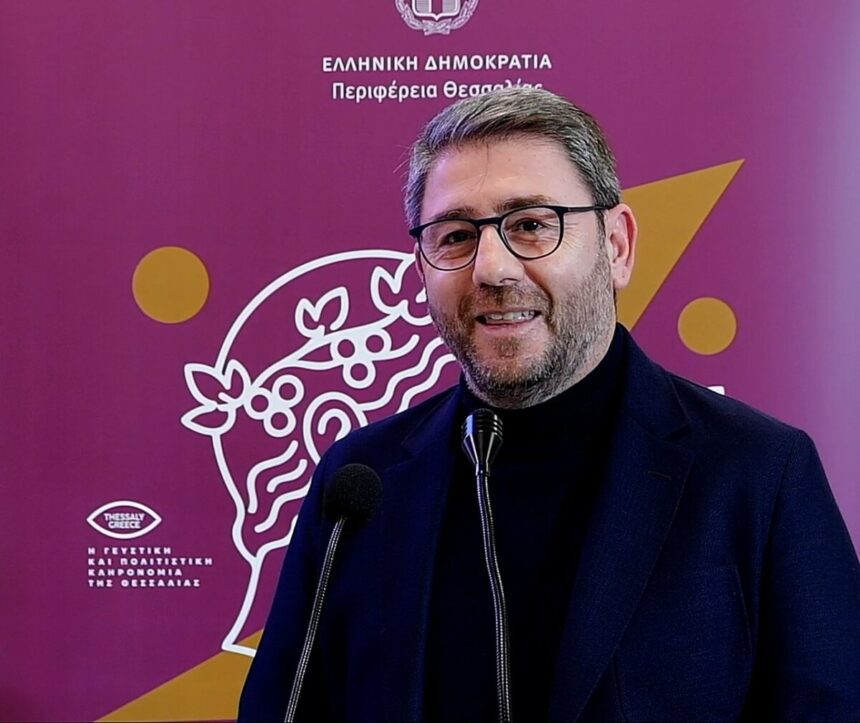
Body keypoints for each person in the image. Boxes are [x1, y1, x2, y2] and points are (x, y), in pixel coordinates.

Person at [239, 87, 860, 721]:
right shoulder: (360, 482)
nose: (491, 268)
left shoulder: (758, 473)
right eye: (456, 235)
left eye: (531, 225)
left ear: (616, 246)